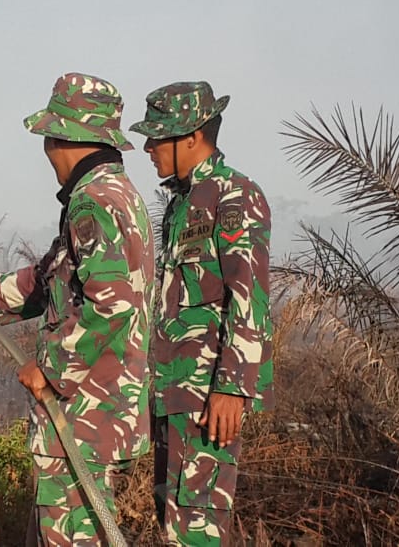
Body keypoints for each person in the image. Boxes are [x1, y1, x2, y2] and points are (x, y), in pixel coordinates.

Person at [0, 72, 154, 546]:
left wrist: (52, 372)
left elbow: (110, 306)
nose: (46, 152)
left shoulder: (95, 202)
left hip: (83, 410)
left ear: (62, 139)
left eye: (48, 138)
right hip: (94, 409)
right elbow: (50, 279)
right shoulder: (112, 196)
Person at [129, 81, 274, 545]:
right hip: (174, 394)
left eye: (158, 136)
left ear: (192, 136)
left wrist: (232, 388)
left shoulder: (233, 197)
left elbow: (249, 296)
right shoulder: (183, 204)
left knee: (197, 531)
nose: (148, 147)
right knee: (174, 525)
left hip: (209, 397)